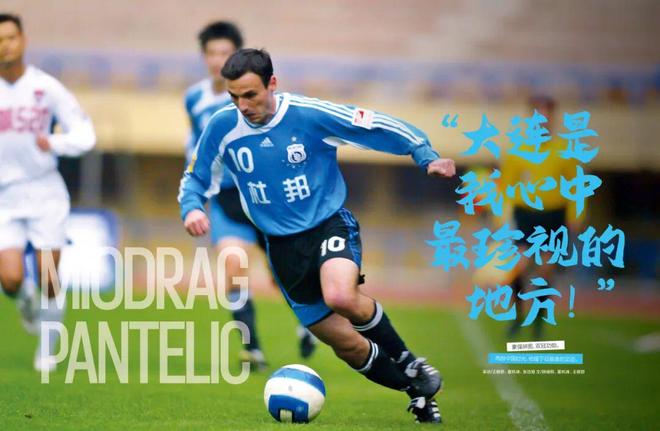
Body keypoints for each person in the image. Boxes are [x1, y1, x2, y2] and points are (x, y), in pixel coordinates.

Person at [179, 48, 456, 424]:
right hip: (282, 248)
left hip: (328, 224)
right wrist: (192, 207)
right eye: (234, 96)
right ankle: (417, 391)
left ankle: (409, 361)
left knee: (340, 295)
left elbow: (373, 124)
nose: (242, 105)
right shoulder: (222, 125)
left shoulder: (308, 114)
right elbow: (195, 175)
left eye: (250, 95)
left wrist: (424, 154)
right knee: (348, 346)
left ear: (272, 83)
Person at [184, 22, 315, 370]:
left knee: (280, 273)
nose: (217, 60)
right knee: (233, 266)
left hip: (266, 197)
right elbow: (195, 144)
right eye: (211, 53)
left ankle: (308, 323)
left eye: (224, 53)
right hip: (227, 199)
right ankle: (252, 348)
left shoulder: (259, 97)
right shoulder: (194, 98)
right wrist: (195, 191)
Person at [0, 13, 96, 372]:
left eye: (10, 37)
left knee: (48, 274)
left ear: (23, 40)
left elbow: (85, 135)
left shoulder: (46, 88)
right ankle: (25, 300)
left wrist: (54, 142)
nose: (5, 45)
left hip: (44, 191)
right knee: (10, 278)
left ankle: (47, 351)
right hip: (4, 196)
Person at [500, 95, 582, 339]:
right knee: (520, 266)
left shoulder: (564, 151)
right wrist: (503, 216)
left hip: (554, 216)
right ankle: (517, 315)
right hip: (525, 215)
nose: (543, 120)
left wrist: (575, 214)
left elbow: (576, 186)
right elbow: (506, 187)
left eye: (547, 115)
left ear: (553, 118)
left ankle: (538, 321)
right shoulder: (517, 151)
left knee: (546, 270)